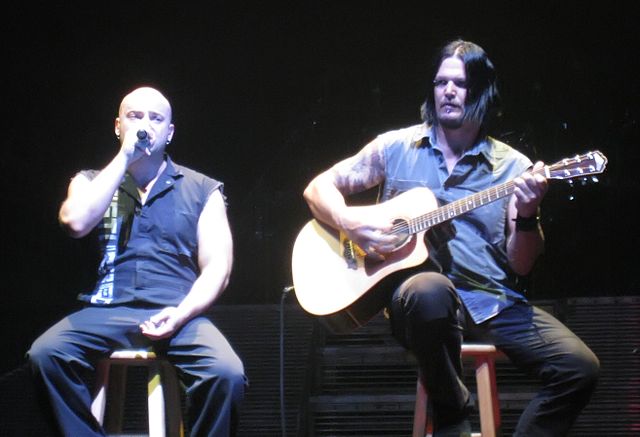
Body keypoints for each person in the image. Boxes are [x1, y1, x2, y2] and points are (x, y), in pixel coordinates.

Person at [302, 40, 599, 436]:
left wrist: (527, 214)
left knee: (579, 368)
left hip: (492, 301)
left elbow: (522, 263)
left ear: (480, 91)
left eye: (459, 83)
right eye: (441, 82)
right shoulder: (396, 147)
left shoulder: (512, 166)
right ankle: (452, 416)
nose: (448, 91)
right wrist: (350, 223)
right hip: (419, 303)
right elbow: (318, 187)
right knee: (430, 290)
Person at [28, 86, 246, 436]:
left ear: (170, 132)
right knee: (45, 354)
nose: (145, 124)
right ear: (118, 126)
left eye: (156, 118)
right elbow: (75, 223)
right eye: (135, 116)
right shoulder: (90, 181)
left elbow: (218, 269)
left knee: (226, 373)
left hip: (176, 309)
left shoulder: (203, 189)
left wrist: (182, 313)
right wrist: (125, 158)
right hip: (106, 309)